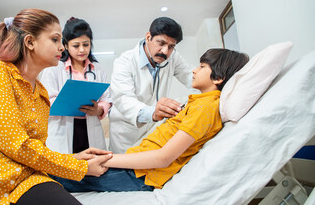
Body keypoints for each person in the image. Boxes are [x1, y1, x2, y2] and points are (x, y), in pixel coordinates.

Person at [0, 9, 112, 205]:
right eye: (55, 40)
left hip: (25, 178)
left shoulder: (41, 93)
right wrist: (79, 167)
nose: (61, 47)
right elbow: (15, 143)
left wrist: (75, 158)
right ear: (30, 42)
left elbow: (35, 147)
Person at [52, 48, 249, 192]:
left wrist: (107, 159)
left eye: (202, 66)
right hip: (137, 167)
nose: (194, 70)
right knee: (63, 165)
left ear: (218, 77)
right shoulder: (198, 103)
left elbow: (164, 158)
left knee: (55, 176)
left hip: (142, 174)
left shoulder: (206, 108)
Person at [109, 17, 194, 154]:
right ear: (148, 37)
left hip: (153, 127)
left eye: (171, 46)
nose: (165, 51)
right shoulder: (125, 61)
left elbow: (191, 77)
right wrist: (152, 113)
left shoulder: (173, 57)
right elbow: (123, 98)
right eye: (161, 43)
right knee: (124, 169)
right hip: (126, 131)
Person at [40, 17, 112, 154]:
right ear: (66, 45)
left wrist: (99, 110)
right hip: (63, 128)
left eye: (86, 44)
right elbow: (46, 100)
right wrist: (69, 104)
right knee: (66, 171)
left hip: (89, 128)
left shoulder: (98, 69)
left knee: (93, 169)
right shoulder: (54, 68)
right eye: (76, 45)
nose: (82, 50)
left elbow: (107, 98)